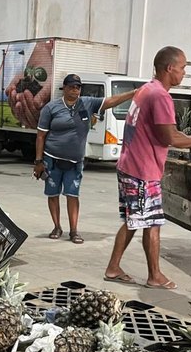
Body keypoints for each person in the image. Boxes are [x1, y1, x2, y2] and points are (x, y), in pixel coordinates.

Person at [104, 47, 191, 289]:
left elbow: (169, 132)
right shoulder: (161, 96)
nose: (184, 72)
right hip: (142, 171)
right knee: (151, 223)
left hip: (131, 166)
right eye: (183, 67)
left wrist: (189, 135)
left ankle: (113, 267)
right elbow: (169, 138)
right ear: (169, 68)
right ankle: (154, 276)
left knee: (135, 220)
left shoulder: (147, 89)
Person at [32, 74, 138, 244]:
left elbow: (111, 101)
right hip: (52, 159)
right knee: (53, 194)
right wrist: (38, 162)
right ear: (64, 88)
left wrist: (133, 93)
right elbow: (40, 136)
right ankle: (57, 227)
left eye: (78, 87)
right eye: (72, 87)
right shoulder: (51, 108)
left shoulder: (87, 103)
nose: (75, 90)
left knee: (72, 194)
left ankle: (74, 231)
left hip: (75, 161)